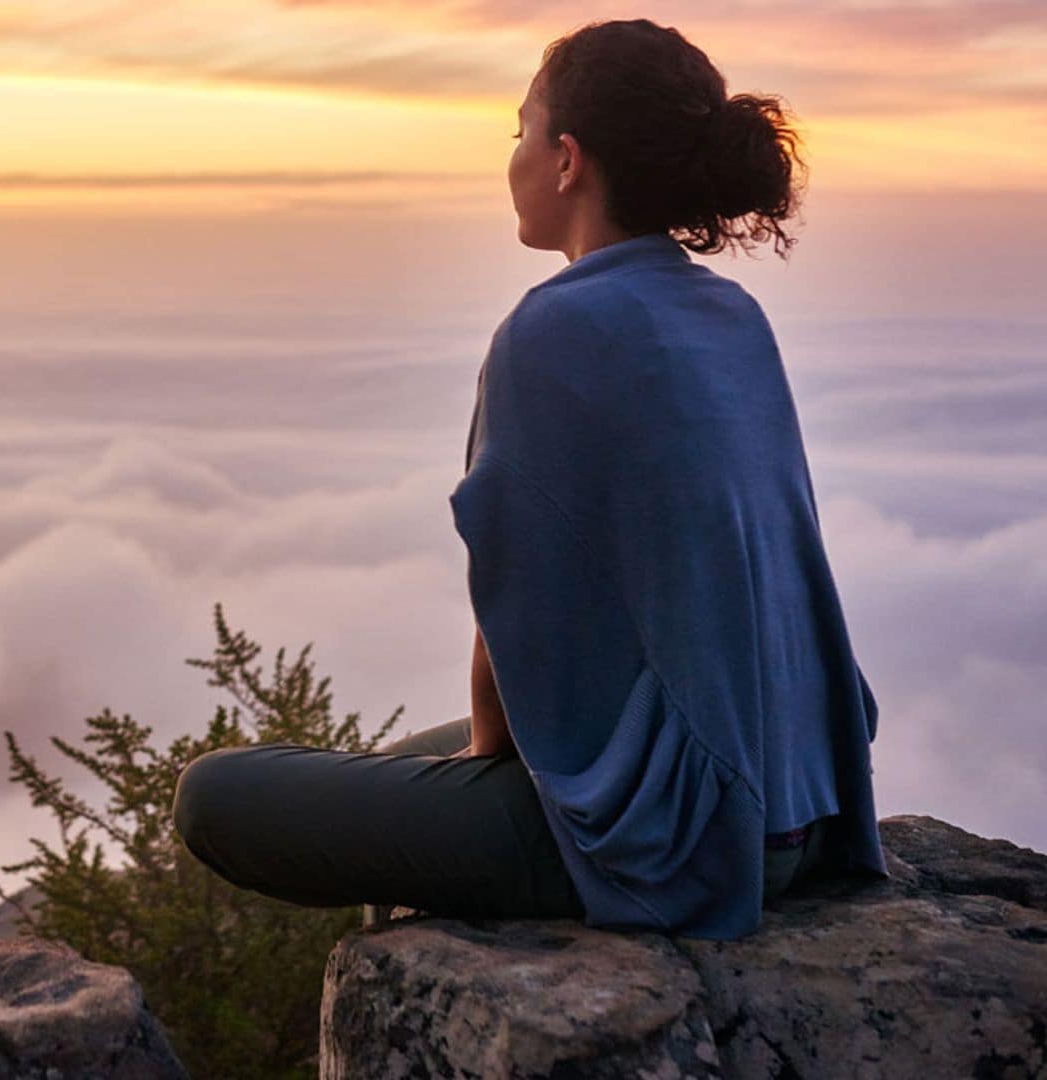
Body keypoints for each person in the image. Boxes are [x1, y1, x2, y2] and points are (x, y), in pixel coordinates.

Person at [170, 18, 889, 941]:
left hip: (689, 839)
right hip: (800, 798)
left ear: (567, 160)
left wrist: (488, 763)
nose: (510, 156)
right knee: (395, 764)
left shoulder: (554, 330)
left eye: (519, 131)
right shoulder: (728, 313)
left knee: (219, 796)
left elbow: (519, 621)